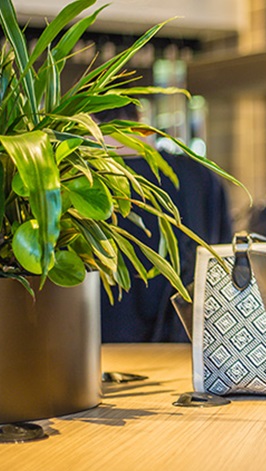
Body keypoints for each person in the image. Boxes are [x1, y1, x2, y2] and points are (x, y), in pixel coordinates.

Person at [96, 104, 233, 342]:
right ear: (139, 119)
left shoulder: (79, 186)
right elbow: (223, 267)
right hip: (188, 352)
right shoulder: (200, 176)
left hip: (101, 357)